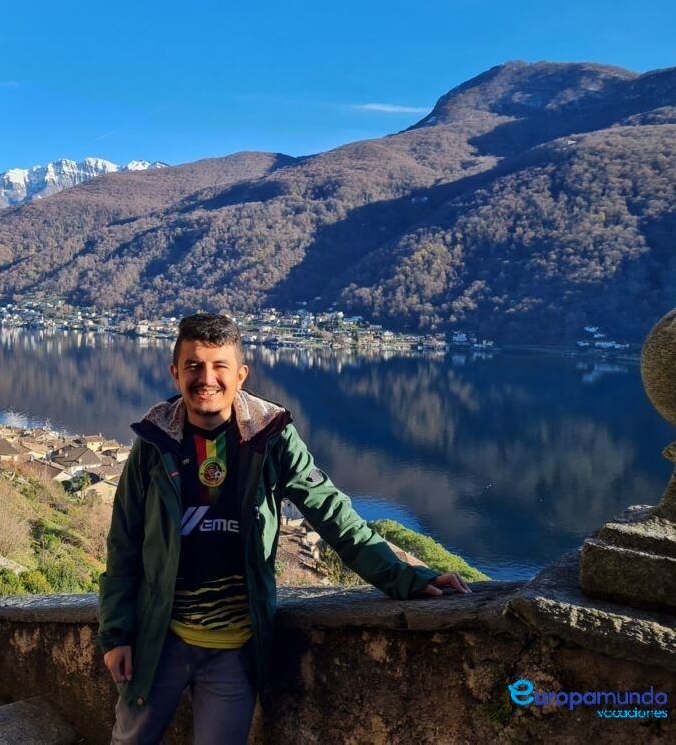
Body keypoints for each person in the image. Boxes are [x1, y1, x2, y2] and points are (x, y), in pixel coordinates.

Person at [98, 313, 471, 744]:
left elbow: (331, 513)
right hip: (157, 643)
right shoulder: (153, 444)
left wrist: (404, 576)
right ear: (175, 372)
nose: (207, 378)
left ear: (240, 374)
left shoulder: (270, 437)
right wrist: (116, 633)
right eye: (194, 366)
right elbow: (123, 545)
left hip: (234, 650)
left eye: (219, 366)